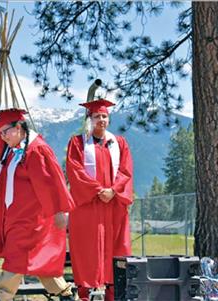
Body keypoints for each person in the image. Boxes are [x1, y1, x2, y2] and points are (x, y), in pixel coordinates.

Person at [0, 93, 76, 301]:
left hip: (31, 221)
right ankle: (66, 295)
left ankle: (2, 296)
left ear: (19, 128)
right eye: (1, 132)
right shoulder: (11, 149)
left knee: (15, 260)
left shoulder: (36, 150)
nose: (2, 135)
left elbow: (53, 182)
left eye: (5, 131)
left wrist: (60, 211)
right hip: (14, 217)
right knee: (39, 264)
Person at [66, 99, 133, 301]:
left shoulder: (119, 143)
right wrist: (97, 190)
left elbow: (126, 170)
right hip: (88, 206)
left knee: (116, 248)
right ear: (89, 119)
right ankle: (85, 294)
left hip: (113, 205)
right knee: (86, 249)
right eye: (97, 116)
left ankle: (113, 295)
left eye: (104, 116)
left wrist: (113, 190)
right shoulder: (77, 143)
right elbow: (74, 170)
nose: (101, 120)